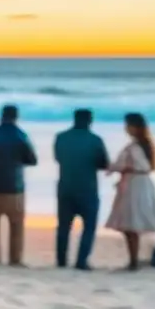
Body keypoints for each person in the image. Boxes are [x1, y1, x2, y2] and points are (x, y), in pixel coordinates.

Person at [0, 104, 37, 266]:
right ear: (16, 117)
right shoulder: (21, 136)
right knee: (16, 226)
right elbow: (32, 160)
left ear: (1, 116)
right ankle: (15, 259)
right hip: (14, 188)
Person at [54, 109, 109, 270]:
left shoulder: (61, 138)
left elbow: (58, 158)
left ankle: (61, 261)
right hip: (88, 187)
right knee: (89, 227)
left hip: (65, 187)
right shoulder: (95, 140)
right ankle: (81, 261)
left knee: (64, 226)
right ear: (90, 121)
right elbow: (103, 163)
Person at [105, 113, 155, 270]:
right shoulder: (147, 145)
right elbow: (151, 167)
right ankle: (134, 260)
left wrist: (116, 168)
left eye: (128, 125)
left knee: (130, 223)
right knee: (132, 222)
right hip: (140, 183)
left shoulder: (134, 147)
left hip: (134, 184)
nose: (126, 128)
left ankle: (133, 261)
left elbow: (122, 165)